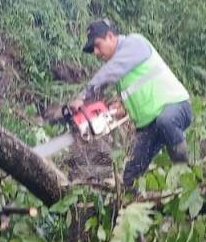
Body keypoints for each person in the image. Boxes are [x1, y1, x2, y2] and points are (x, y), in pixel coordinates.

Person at [70, 19, 192, 187]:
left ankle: (184, 171)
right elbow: (138, 90)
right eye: (93, 50)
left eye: (97, 46)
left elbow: (108, 73)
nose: (96, 52)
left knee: (166, 121)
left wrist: (83, 96)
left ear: (111, 37)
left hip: (176, 107)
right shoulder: (121, 69)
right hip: (150, 125)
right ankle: (129, 203)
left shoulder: (134, 43)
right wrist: (124, 108)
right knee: (130, 177)